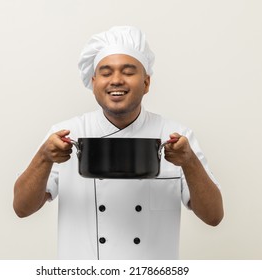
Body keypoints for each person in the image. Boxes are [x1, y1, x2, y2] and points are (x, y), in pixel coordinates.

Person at [13, 26, 224, 260]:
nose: (116, 80)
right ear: (93, 82)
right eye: (106, 72)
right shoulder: (65, 135)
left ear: (146, 83)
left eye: (128, 71)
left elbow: (213, 216)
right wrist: (44, 157)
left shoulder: (176, 137)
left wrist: (189, 162)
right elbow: (22, 208)